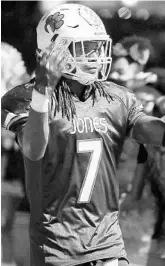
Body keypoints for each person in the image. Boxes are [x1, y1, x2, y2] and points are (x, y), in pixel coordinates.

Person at [1, 3, 165, 266]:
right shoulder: (25, 97)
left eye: (97, 47)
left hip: (108, 243)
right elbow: (33, 149)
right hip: (58, 246)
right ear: (55, 50)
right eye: (85, 48)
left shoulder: (115, 96)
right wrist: (43, 93)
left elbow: (149, 129)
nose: (95, 56)